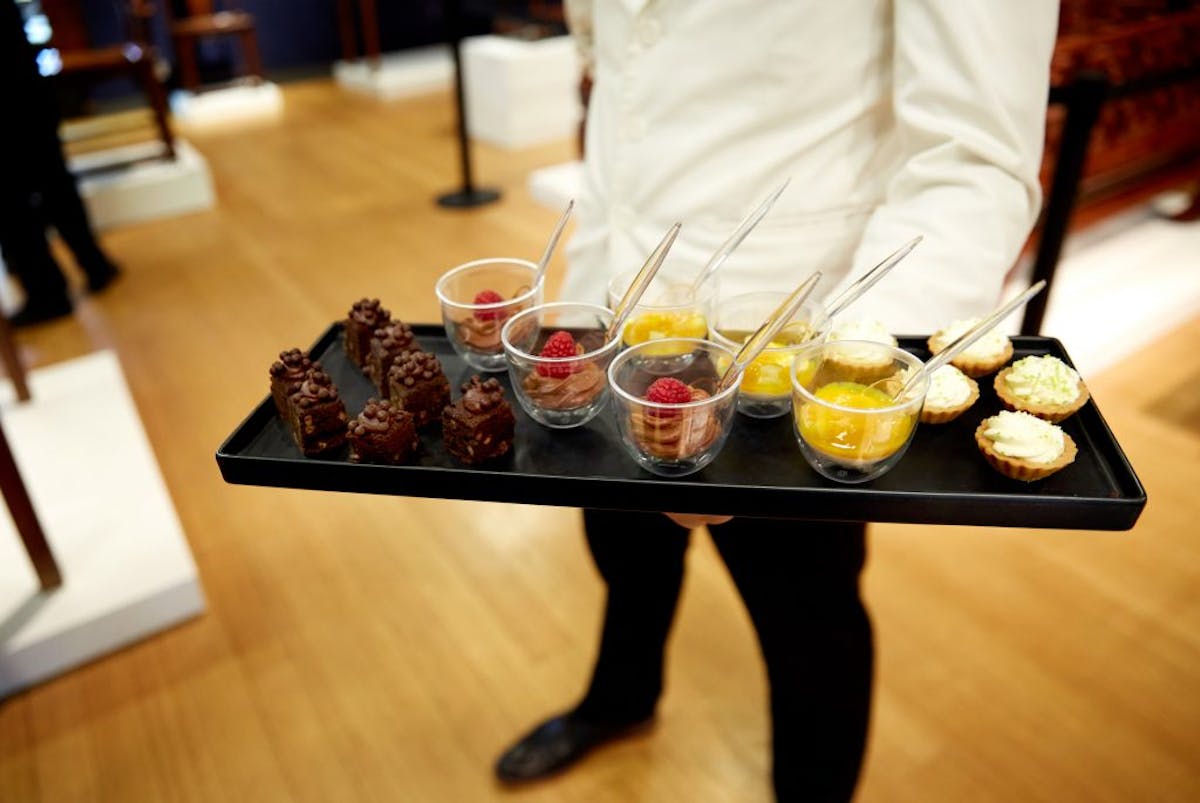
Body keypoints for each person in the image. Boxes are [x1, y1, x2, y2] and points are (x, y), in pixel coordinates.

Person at [495, 2, 1059, 801]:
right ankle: (621, 697)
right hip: (610, 309)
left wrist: (853, 384)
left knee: (808, 618)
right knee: (623, 548)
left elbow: (974, 157)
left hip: (784, 359)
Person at [0, 0, 120, 327]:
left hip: (13, 94)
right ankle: (93, 264)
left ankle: (47, 293)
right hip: (26, 88)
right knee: (53, 182)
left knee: (14, 205)